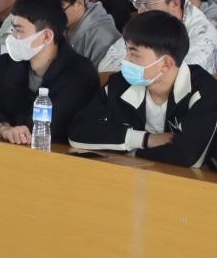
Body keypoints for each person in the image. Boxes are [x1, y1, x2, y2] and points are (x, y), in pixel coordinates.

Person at [70, 11, 217, 169]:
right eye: (127, 51)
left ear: (166, 64)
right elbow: (78, 132)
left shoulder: (205, 91)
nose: (125, 60)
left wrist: (131, 153)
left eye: (134, 54)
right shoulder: (121, 82)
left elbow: (188, 157)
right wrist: (146, 139)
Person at [0, 0, 99, 145]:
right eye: (12, 29)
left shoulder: (80, 74)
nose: (12, 37)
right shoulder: (8, 63)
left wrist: (10, 122)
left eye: (19, 31)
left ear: (46, 36)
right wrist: (1, 127)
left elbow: (50, 128)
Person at [101, 0, 217, 74]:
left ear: (175, 3)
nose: (140, 11)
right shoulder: (149, 21)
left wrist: (135, 68)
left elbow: (180, 76)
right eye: (137, 3)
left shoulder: (203, 34)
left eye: (146, 4)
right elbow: (107, 65)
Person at [37, 0, 121, 71]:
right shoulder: (66, 22)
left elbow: (99, 78)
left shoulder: (102, 37)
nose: (50, 15)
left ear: (79, 4)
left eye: (58, 9)